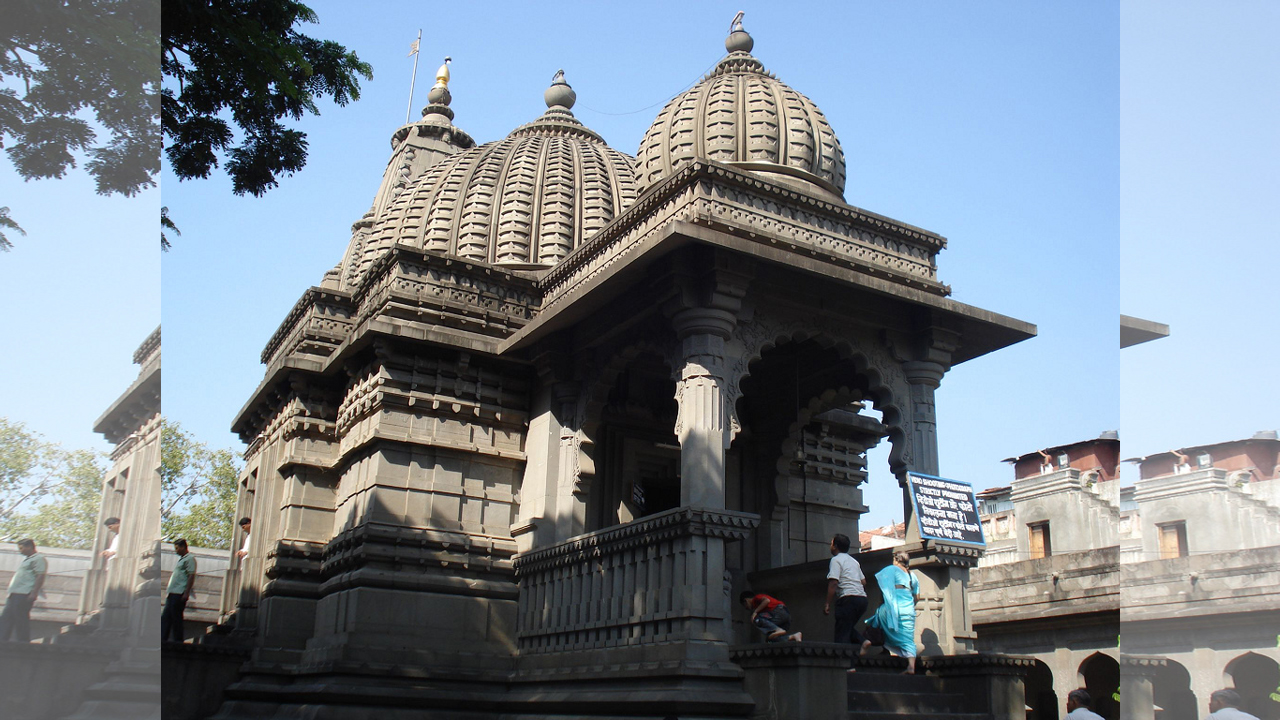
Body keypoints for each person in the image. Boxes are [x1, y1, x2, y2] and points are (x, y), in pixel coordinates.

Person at [861, 550, 919, 674]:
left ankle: (869, 641)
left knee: (879, 617)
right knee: (908, 639)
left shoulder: (891, 569)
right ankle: (911, 666)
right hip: (908, 611)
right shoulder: (912, 576)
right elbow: (917, 597)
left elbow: (884, 587)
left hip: (892, 608)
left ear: (896, 560)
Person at [823, 532, 867, 670]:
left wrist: (827, 603)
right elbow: (863, 581)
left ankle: (848, 666)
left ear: (835, 546)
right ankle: (862, 641)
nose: (831, 546)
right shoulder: (854, 561)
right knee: (846, 627)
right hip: (862, 599)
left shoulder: (836, 560)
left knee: (842, 633)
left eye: (831, 543)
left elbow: (833, 583)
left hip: (847, 598)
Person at [0, 539, 48, 642]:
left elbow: (40, 576)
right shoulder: (27, 560)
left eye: (21, 548)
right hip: (14, 593)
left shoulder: (38, 558)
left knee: (20, 618)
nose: (20, 551)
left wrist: (34, 593)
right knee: (6, 618)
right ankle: (2, 639)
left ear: (29, 547)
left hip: (24, 593)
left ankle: (22, 641)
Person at [160, 539, 196, 643]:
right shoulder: (182, 559)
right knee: (166, 617)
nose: (176, 551)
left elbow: (191, 576)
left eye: (177, 548)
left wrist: (186, 592)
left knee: (176, 617)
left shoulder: (189, 559)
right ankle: (163, 638)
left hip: (179, 593)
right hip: (172, 592)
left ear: (183, 547)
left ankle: (178, 640)